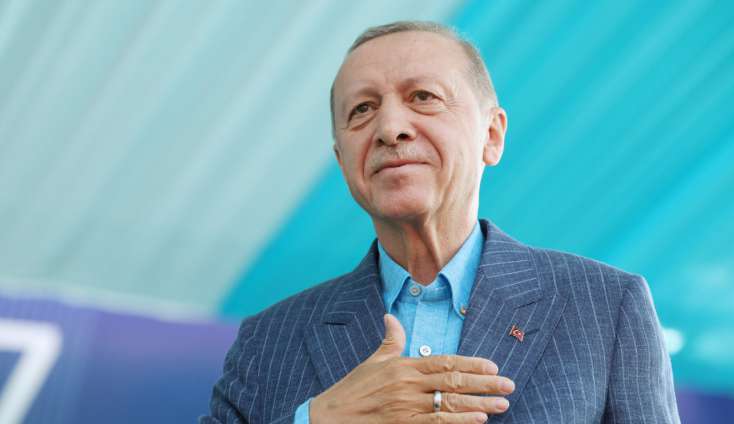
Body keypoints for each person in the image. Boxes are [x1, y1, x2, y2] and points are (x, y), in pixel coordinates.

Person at [201, 21, 680, 423]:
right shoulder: (268, 341)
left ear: (492, 135)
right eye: (362, 109)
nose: (390, 128)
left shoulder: (606, 306)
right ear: (342, 159)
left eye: (423, 96)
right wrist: (315, 420)